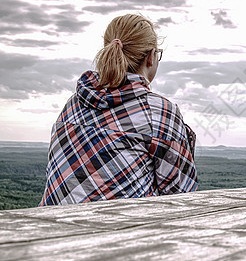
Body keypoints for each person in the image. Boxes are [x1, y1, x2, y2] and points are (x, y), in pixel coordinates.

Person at [39, 14, 198, 206]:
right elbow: (181, 194)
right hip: (119, 232)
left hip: (53, 229)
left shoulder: (73, 103)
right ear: (151, 57)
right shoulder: (158, 111)